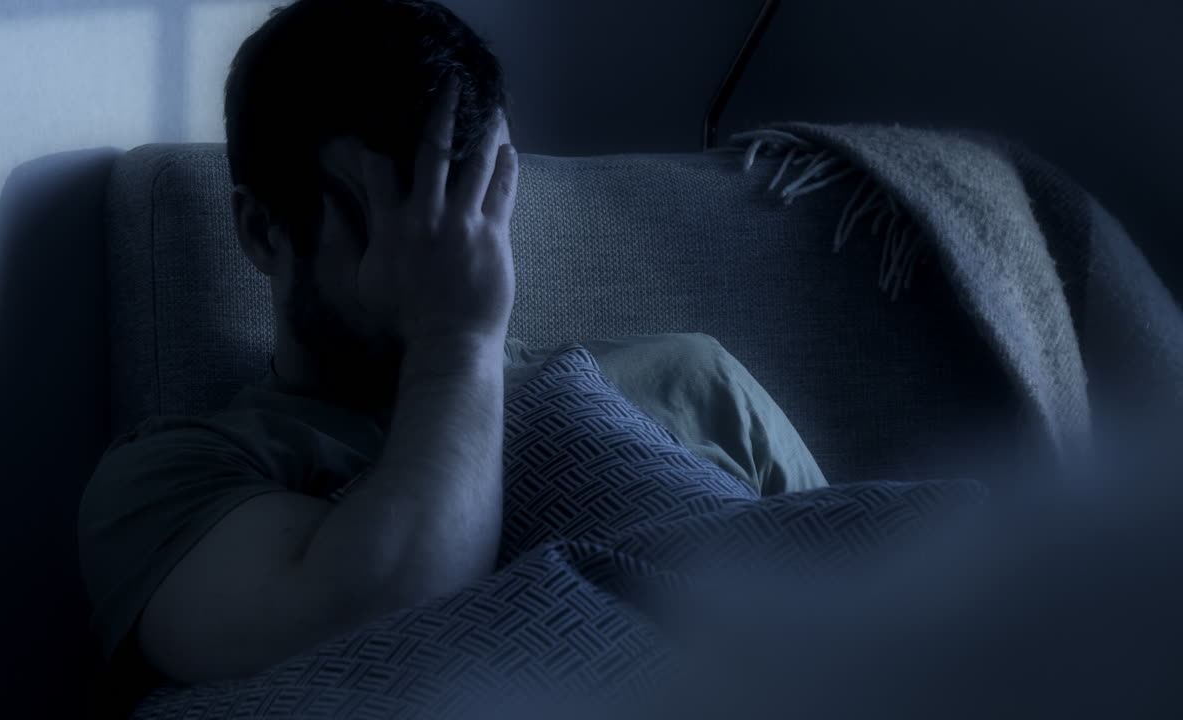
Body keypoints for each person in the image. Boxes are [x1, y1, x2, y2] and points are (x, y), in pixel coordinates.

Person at [77, 1, 825, 716]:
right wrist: (454, 341)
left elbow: (864, 603)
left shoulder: (692, 379)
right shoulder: (173, 477)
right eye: (389, 214)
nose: (436, 249)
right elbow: (391, 642)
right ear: (264, 231)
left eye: (465, 203)